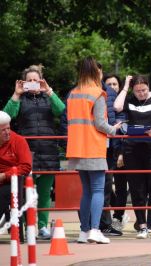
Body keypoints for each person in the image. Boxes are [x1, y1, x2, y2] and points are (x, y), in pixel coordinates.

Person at [3, 64, 65, 240]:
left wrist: (49, 91)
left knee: (45, 192)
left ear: (41, 81)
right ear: (23, 82)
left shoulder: (48, 97)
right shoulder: (20, 99)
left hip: (48, 149)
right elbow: (6, 116)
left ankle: (43, 227)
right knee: (24, 191)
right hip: (26, 151)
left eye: (35, 80)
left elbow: (62, 111)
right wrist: (16, 94)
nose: (32, 83)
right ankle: (23, 225)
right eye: (29, 80)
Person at [66, 57, 121, 244]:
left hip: (77, 147)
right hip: (93, 146)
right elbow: (100, 123)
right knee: (98, 189)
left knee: (87, 191)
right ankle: (95, 230)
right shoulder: (97, 93)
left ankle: (84, 231)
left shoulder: (73, 93)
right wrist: (114, 129)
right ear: (96, 72)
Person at [113, 74, 151, 239]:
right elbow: (117, 107)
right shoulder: (130, 99)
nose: (141, 93)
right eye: (138, 91)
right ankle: (142, 226)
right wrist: (125, 85)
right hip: (133, 149)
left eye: (144, 90)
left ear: (149, 87)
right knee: (136, 187)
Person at [103, 74, 130, 232]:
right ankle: (110, 217)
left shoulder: (124, 105)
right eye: (109, 84)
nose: (112, 87)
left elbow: (125, 129)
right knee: (105, 185)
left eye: (115, 84)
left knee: (120, 185)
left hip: (120, 149)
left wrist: (121, 152)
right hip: (105, 149)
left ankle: (118, 216)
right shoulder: (101, 101)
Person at [0, 111, 32, 222]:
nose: (7, 132)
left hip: (14, 182)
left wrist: (4, 176)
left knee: (2, 194)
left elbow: (26, 167)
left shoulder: (19, 141)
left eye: (8, 128)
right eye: (3, 130)